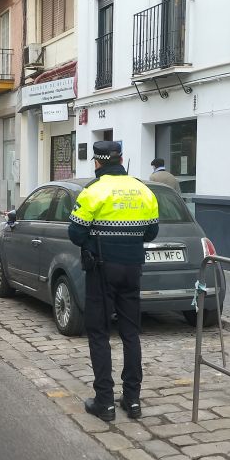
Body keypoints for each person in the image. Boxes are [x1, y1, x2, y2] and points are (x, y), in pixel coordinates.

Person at [68, 140, 160, 422]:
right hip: (133, 268)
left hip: (102, 270)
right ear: (121, 159)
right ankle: (132, 401)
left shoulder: (93, 191)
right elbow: (151, 232)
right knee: (131, 333)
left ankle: (105, 402)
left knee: (99, 333)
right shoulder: (143, 189)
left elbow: (75, 233)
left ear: (97, 162)